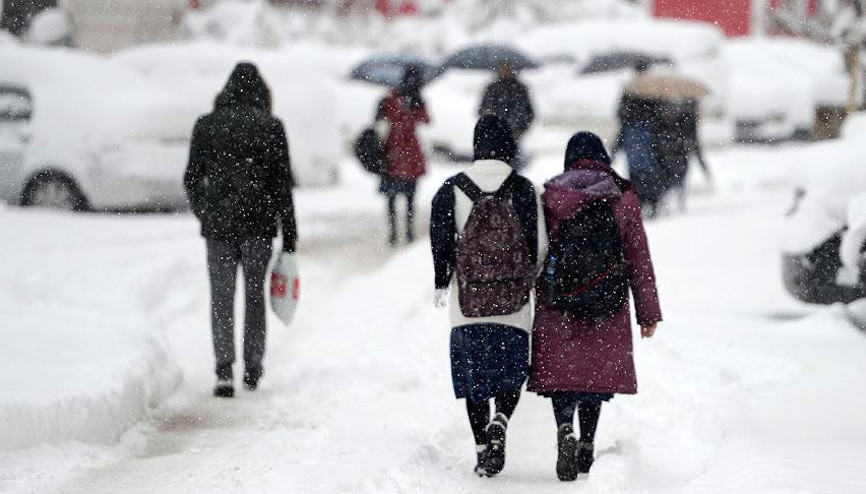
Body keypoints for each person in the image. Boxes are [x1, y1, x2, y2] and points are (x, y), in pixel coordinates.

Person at [528, 132, 662, 481]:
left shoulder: (552, 195)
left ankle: (564, 430)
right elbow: (639, 258)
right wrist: (648, 313)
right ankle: (586, 442)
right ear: (602, 157)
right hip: (608, 300)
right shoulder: (622, 196)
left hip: (560, 302)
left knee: (564, 375)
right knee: (593, 374)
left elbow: (538, 252)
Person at [430, 115, 546, 477]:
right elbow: (539, 246)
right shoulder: (524, 189)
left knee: (474, 378)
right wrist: (528, 279)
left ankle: (482, 447)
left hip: (468, 303)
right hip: (512, 304)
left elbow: (440, 243)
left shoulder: (452, 188)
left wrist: (442, 279)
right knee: (511, 374)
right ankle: (501, 420)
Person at [184, 62, 298, 398]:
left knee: (221, 297)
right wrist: (289, 232)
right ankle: (252, 366)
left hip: (218, 226)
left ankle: (223, 370)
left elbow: (191, 177)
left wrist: (205, 211)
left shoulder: (207, 125)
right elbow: (282, 185)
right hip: (258, 225)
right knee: (254, 295)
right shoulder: (272, 126)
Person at [376, 64, 430, 246]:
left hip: (393, 151)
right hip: (409, 151)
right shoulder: (416, 100)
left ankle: (394, 232)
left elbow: (378, 119)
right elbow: (426, 120)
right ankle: (408, 231)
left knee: (392, 197)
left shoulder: (391, 98)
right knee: (410, 196)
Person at [655, 98, 711, 212]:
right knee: (679, 181)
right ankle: (678, 206)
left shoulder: (675, 116)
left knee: (668, 181)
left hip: (668, 154)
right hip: (680, 155)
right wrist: (703, 165)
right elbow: (695, 143)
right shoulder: (689, 119)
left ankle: (668, 206)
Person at [479, 64, 535, 170]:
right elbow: (481, 110)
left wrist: (522, 129)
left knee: (514, 164)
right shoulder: (492, 88)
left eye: (508, 67)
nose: (505, 70)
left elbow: (529, 113)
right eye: (502, 68)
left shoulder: (521, 89)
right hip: (494, 134)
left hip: (514, 133)